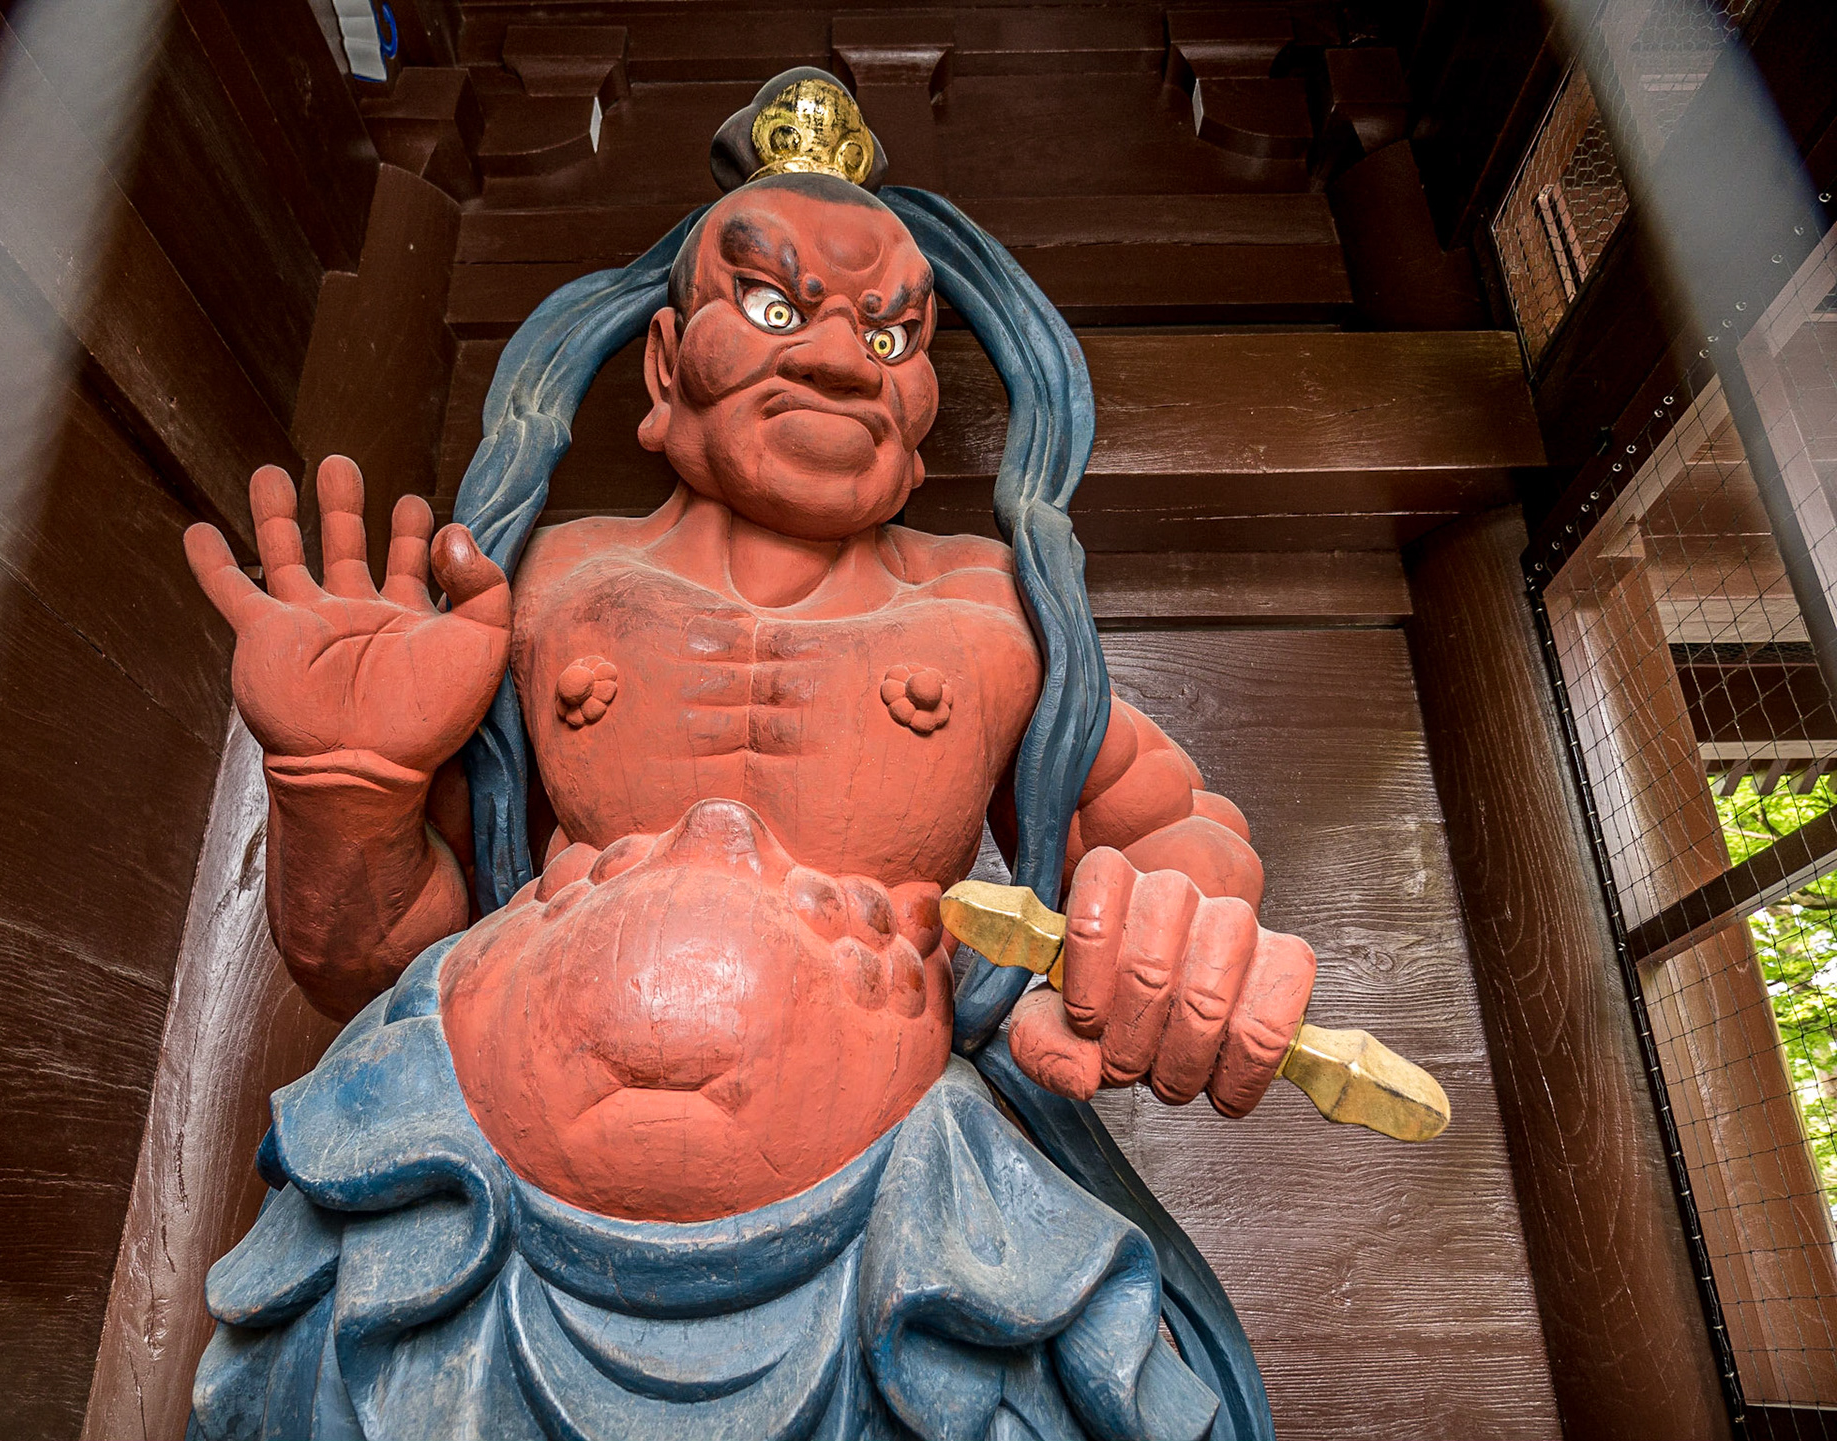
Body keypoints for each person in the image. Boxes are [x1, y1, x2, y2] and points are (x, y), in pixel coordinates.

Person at [184, 71, 1313, 1441]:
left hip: (903, 1207)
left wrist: (1181, 925)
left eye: (893, 334)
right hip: (480, 1185)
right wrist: (344, 799)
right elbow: (377, 953)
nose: (841, 359)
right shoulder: (544, 584)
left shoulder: (990, 613)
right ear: (666, 365)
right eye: (775, 307)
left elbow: (1170, 825)